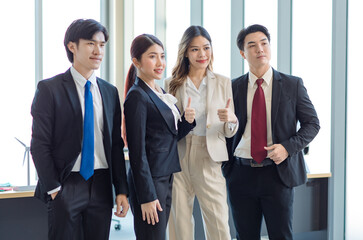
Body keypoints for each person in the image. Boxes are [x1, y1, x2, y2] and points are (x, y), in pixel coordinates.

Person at [30, 19, 129, 240]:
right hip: (67, 184)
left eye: (102, 45)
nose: (98, 50)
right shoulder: (49, 89)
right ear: (72, 46)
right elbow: (39, 145)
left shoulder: (109, 92)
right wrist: (55, 189)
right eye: (91, 44)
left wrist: (121, 189)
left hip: (102, 183)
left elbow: (115, 145)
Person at [223, 24, 320, 240]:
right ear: (242, 53)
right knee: (245, 236)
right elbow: (224, 131)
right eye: (252, 45)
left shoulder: (292, 85)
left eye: (264, 43)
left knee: (281, 236)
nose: (260, 49)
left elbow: (312, 124)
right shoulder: (232, 87)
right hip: (240, 174)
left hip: (278, 174)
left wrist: (287, 148)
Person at [165, 25, 238, 240]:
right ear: (186, 52)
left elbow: (228, 131)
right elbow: (167, 128)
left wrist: (232, 121)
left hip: (209, 155)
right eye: (195, 49)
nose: (202, 54)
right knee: (179, 223)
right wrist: (182, 121)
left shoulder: (223, 82)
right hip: (179, 155)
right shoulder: (172, 84)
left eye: (206, 48)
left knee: (218, 222)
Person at [123, 34, 196, 240]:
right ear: (136, 61)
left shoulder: (158, 91)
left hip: (165, 174)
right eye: (152, 57)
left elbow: (167, 137)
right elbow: (137, 151)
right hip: (151, 182)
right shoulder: (137, 96)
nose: (160, 63)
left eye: (162, 56)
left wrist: (186, 122)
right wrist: (147, 196)